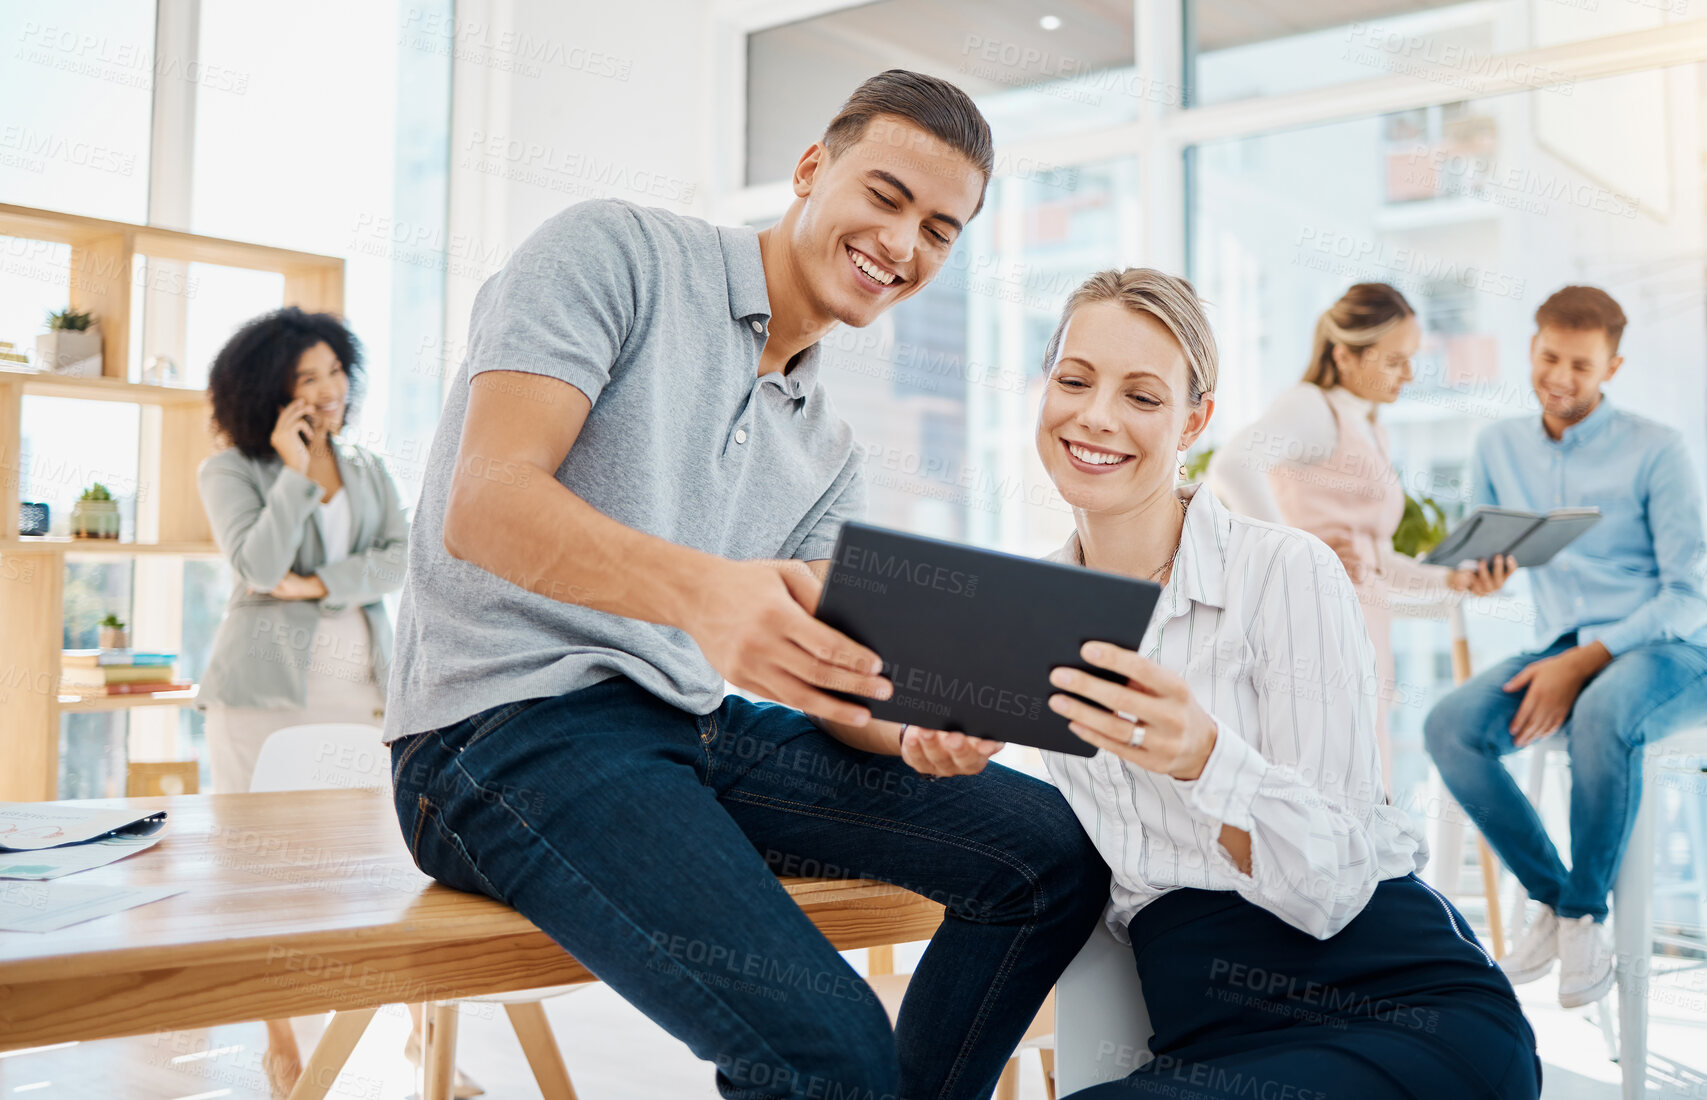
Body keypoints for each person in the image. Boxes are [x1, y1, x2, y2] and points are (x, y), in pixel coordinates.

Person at [382, 70, 1109, 1100]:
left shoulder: (827, 445)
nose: (903, 247)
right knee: (830, 1053)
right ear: (813, 169)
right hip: (499, 730)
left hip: (688, 728)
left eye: (941, 230)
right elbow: (488, 503)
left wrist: (906, 728)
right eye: (887, 197)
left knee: (1053, 856)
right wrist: (706, 596)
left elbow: (828, 675)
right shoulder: (613, 251)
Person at [1034, 269, 1540, 1099]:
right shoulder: (1038, 613)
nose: (1096, 416)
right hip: (1209, 1028)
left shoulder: (1285, 570)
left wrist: (1205, 759)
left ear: (1195, 419)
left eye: (1143, 396)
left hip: (1403, 1006)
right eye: (1075, 380)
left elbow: (1335, 884)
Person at [1424, 285, 1707, 1009]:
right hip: (1562, 647)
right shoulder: (1497, 445)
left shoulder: (1659, 449)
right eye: (1549, 357)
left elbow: (1689, 594)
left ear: (1612, 368)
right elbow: (1487, 556)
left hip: (1680, 651)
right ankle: (1557, 900)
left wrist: (1583, 660)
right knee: (1449, 728)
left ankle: (1583, 914)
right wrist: (1480, 575)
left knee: (1601, 716)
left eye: (1582, 365)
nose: (1561, 377)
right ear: (1532, 348)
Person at [197, 308, 477, 1095]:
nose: (327, 392)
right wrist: (292, 473)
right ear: (271, 395)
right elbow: (256, 563)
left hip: (363, 690)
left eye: (334, 373)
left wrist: (318, 584)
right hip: (262, 695)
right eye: (305, 379)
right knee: (262, 879)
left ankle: (429, 1037)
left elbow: (397, 561)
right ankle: (283, 1044)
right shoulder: (231, 471)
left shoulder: (367, 468)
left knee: (388, 863)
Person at [1210, 283, 1512, 773]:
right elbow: (1233, 466)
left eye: (1412, 358)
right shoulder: (1311, 406)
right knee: (1317, 784)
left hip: (1364, 630)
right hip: (1313, 632)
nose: (1409, 374)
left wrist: (1450, 580)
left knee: (1361, 785)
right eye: (1394, 360)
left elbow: (1373, 557)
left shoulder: (1373, 429)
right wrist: (1300, 560)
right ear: (1344, 356)